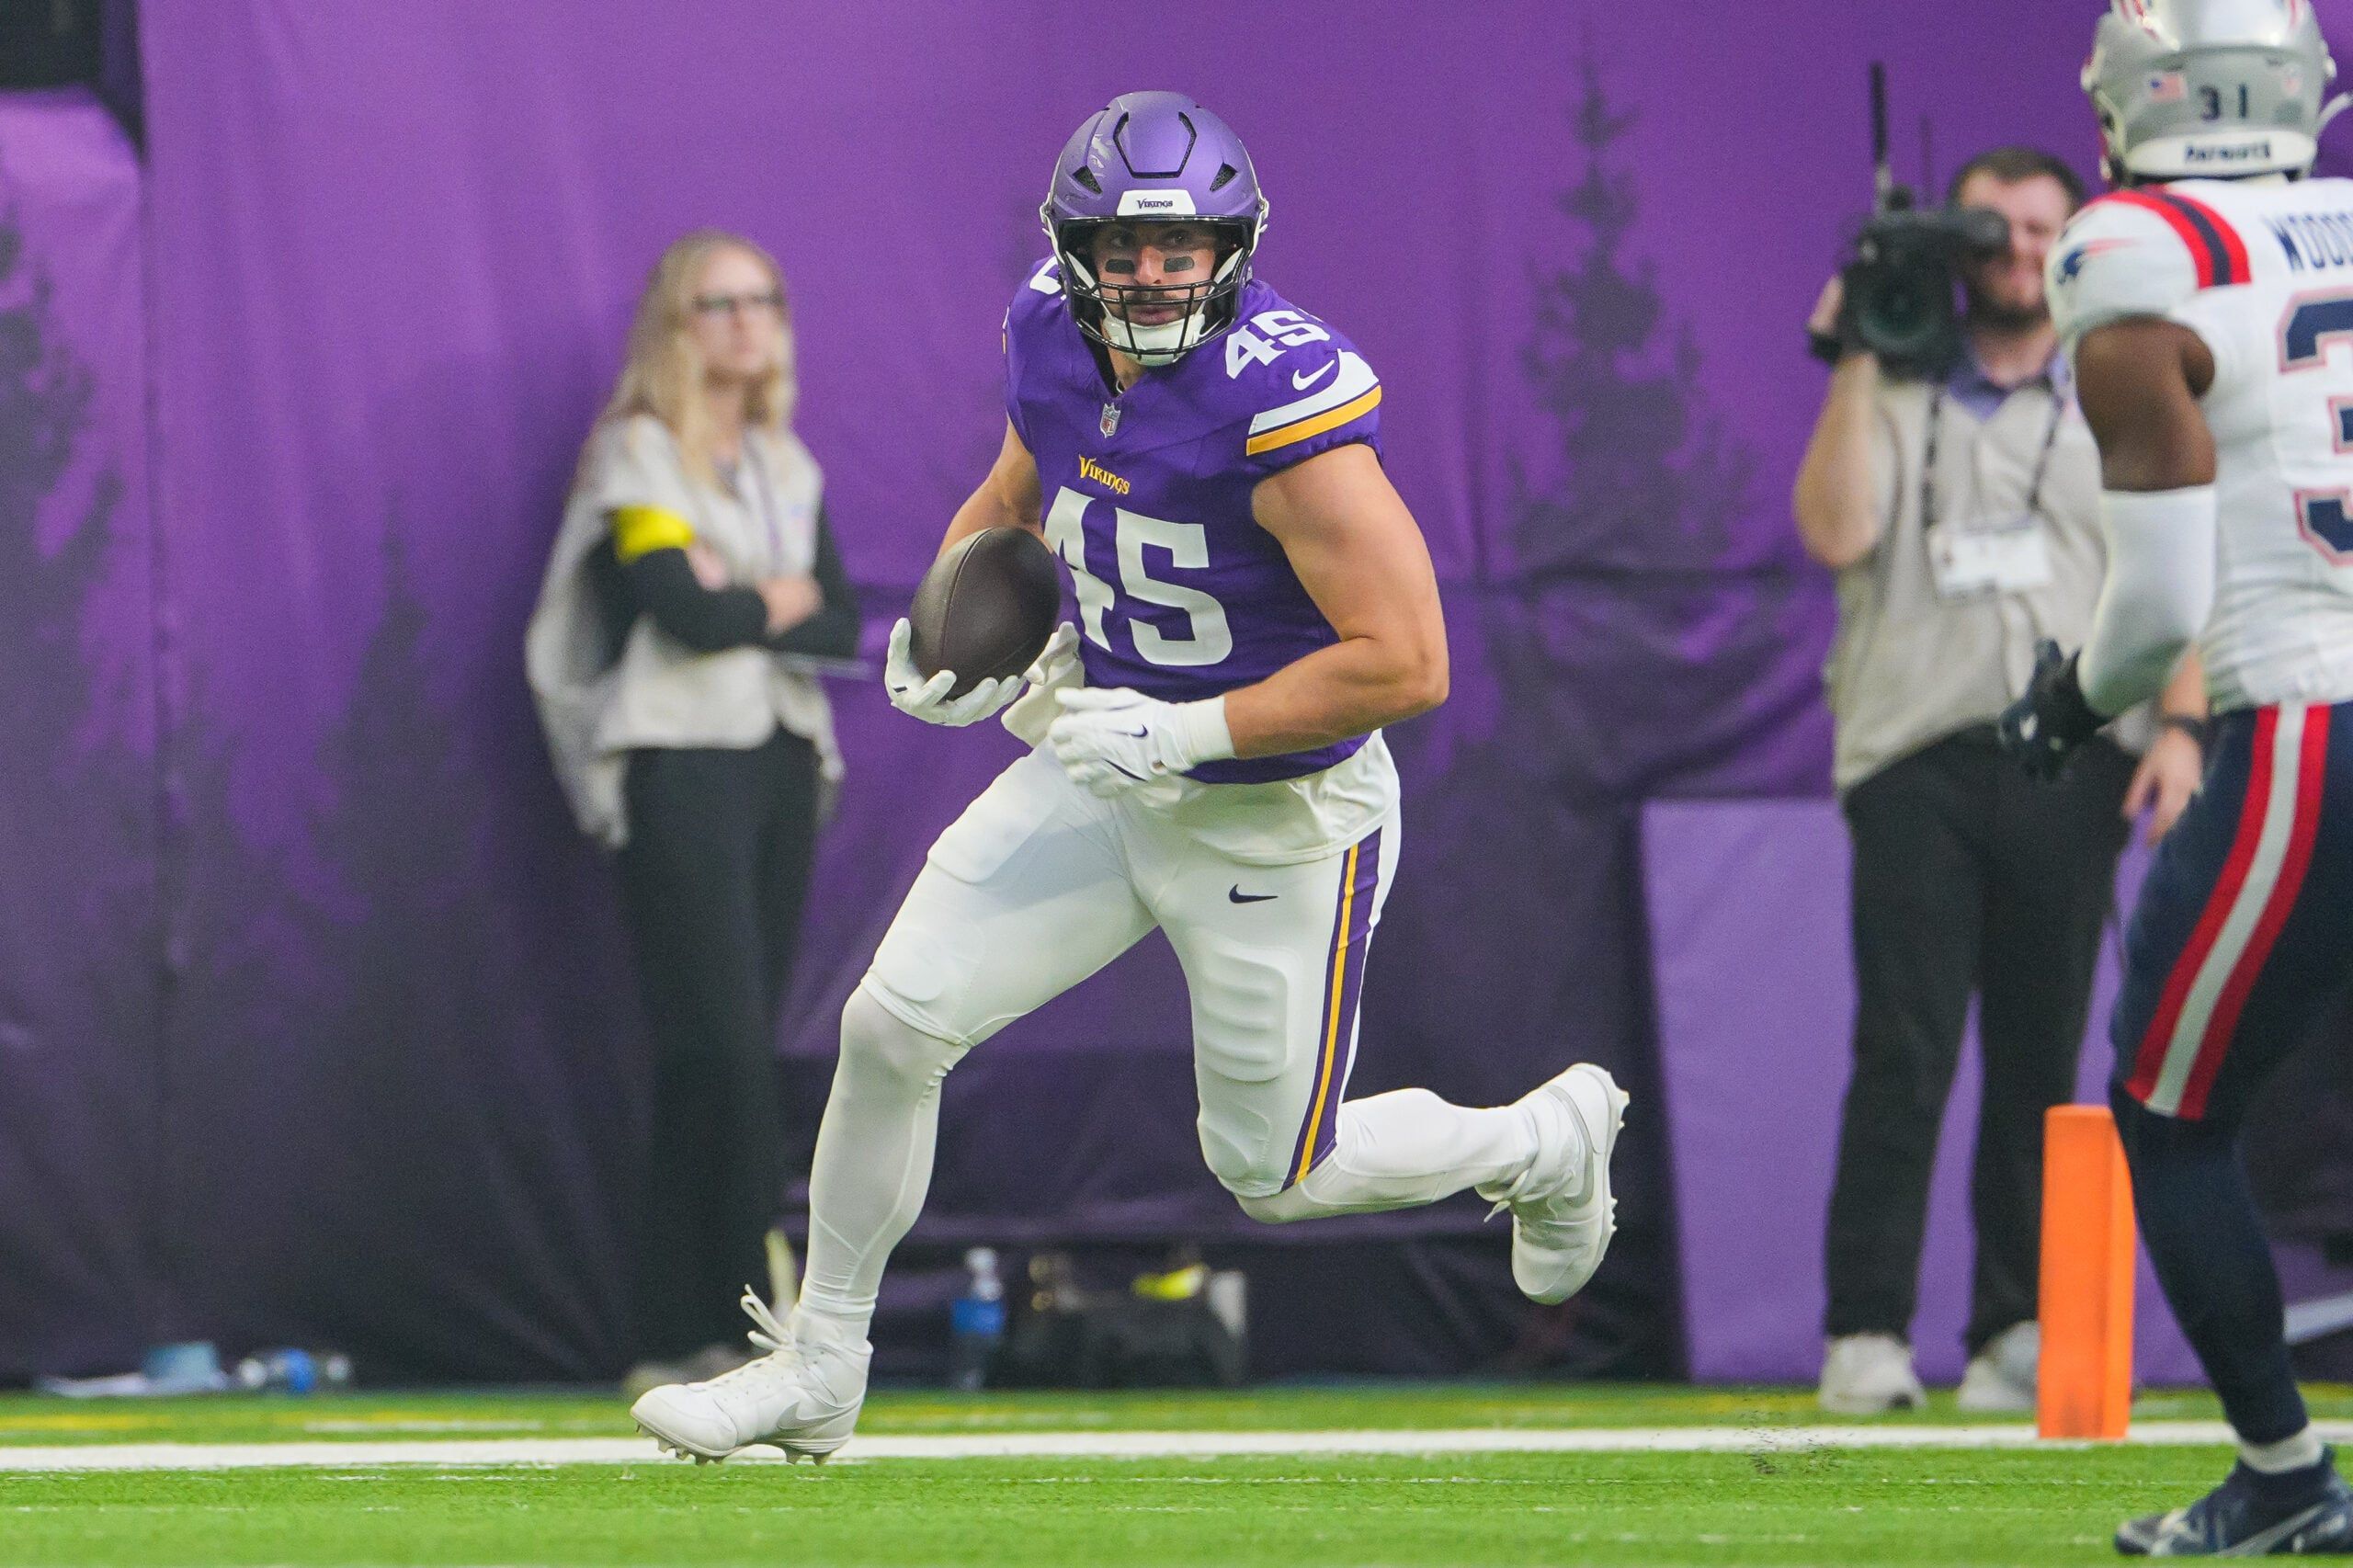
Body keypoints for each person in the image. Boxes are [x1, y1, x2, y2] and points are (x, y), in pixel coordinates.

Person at [629, 91, 1625, 1463]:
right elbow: (1011, 496)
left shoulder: (1282, 406)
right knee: (892, 1024)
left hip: (1277, 812)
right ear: (1073, 249)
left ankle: (1545, 1141)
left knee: (1280, 1171)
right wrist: (946, 620)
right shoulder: (1050, 330)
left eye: (1181, 248)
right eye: (1120, 247)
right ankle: (821, 1363)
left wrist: (1190, 729)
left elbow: (1408, 661)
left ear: (1235, 248)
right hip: (1104, 760)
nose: (1149, 276)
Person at [1999, 0, 2353, 1552]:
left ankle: (2283, 1479)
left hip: (2314, 727)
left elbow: (2151, 612)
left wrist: (2066, 708)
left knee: (2169, 1100)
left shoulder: (2136, 248)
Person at [1796, 145, 2210, 1415]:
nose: (2020, 253)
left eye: (2043, 229)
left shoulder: (2113, 387)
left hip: (2072, 751)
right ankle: (1865, 1329)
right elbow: (1836, 531)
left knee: (2042, 1047)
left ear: (2075, 246)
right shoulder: (1900, 384)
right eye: (1992, 231)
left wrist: (2183, 727)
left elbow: (2181, 560)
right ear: (1955, 249)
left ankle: (2013, 1326)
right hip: (1912, 749)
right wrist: (1862, 333)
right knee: (1904, 1044)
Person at [525, 230, 859, 1395]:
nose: (746, 320)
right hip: (679, 762)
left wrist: (752, 597)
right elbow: (679, 609)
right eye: (719, 302)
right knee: (710, 1048)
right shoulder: (637, 456)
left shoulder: (784, 460)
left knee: (738, 1055)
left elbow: (837, 620)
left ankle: (697, 1330)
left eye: (763, 298)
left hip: (777, 762)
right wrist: (768, 599)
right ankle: (696, 1324)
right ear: (677, 322)